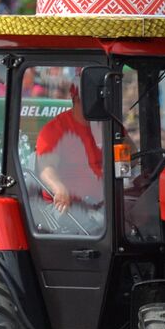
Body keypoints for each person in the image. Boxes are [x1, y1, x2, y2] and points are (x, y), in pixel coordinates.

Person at [34, 81, 104, 235]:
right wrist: (59, 188)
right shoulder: (56, 129)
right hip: (68, 203)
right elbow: (46, 168)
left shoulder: (106, 124)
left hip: (104, 200)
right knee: (102, 227)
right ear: (76, 99)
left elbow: (131, 150)